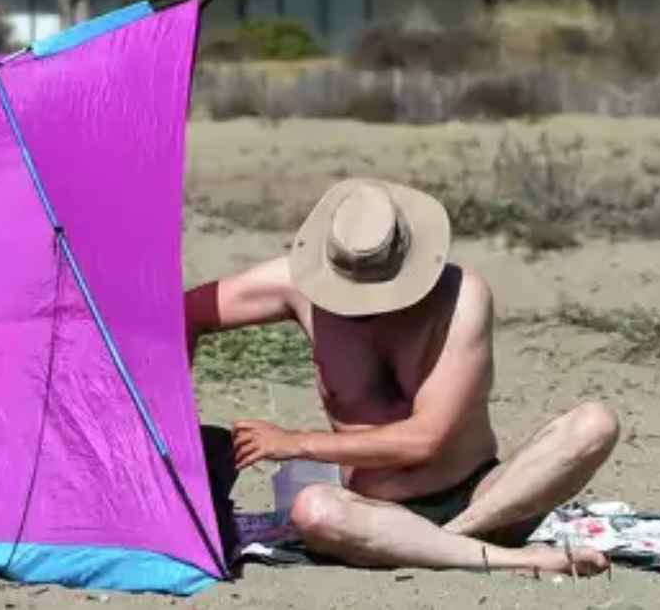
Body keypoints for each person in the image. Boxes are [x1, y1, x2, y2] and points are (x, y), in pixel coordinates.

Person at [184, 178, 619, 577]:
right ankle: (499, 558)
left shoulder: (461, 297)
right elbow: (181, 315)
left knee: (595, 423)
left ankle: (453, 544)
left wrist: (295, 442)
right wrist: (172, 427)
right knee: (313, 511)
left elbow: (424, 439)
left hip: (483, 498)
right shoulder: (297, 285)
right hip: (374, 510)